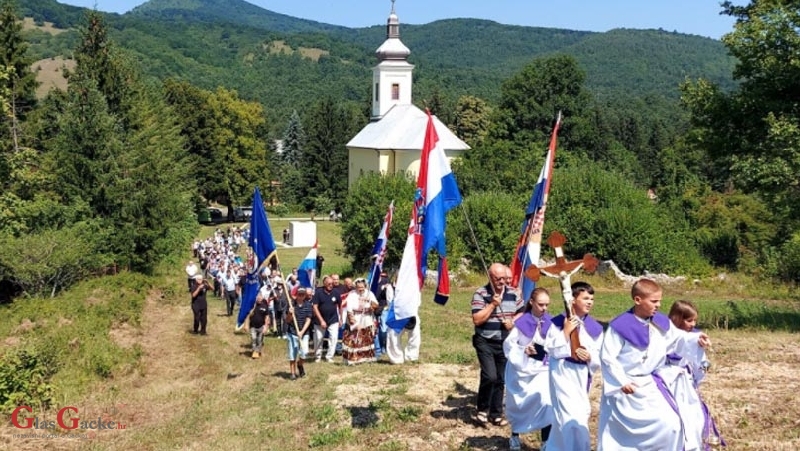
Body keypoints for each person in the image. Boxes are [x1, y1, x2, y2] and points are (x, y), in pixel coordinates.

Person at [597, 278, 711, 451]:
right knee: (623, 438)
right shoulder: (619, 327)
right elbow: (608, 358)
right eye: (654, 301)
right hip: (627, 389)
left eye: (660, 301)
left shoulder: (660, 321)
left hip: (650, 386)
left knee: (672, 425)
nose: (658, 305)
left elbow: (678, 338)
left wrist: (697, 339)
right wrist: (622, 381)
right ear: (638, 300)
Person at [544, 281, 604, 451]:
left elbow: (599, 354)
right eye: (585, 298)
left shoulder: (595, 328)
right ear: (572, 300)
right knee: (572, 419)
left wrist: (590, 356)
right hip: (562, 374)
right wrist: (565, 331)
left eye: (592, 298)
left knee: (579, 414)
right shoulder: (558, 322)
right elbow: (551, 348)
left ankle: (554, 447)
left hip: (582, 375)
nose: (590, 302)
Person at [663, 300, 725, 449]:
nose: (693, 324)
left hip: (687, 385)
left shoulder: (695, 335)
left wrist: (704, 363)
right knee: (672, 421)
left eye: (695, 320)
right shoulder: (664, 334)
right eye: (689, 320)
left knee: (695, 419)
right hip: (668, 384)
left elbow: (700, 361)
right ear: (676, 318)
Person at [471, 262, 524, 426]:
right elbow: (477, 319)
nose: (503, 282)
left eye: (504, 279)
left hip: (505, 341)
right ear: (490, 277)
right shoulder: (480, 294)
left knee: (501, 378)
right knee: (490, 375)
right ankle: (482, 409)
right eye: (498, 279)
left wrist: (513, 321)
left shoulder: (514, 293)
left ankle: (496, 413)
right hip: (485, 340)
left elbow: (522, 312)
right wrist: (493, 304)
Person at [504, 288, 554, 451]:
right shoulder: (521, 323)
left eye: (547, 305)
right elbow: (509, 345)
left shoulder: (551, 322)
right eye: (541, 304)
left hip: (542, 369)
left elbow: (556, 344)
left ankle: (546, 440)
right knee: (519, 404)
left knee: (547, 403)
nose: (544, 308)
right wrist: (523, 349)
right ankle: (515, 435)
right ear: (531, 302)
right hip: (522, 369)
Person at [341, 278, 379, 365]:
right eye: (359, 287)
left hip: (367, 317)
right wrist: (352, 320)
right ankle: (354, 358)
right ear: (356, 287)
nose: (361, 289)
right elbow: (349, 308)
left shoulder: (369, 293)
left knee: (366, 338)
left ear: (365, 286)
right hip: (355, 317)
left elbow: (376, 305)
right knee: (354, 339)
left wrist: (369, 302)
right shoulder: (352, 294)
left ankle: (367, 358)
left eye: (362, 287)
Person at [286, 287, 313, 380]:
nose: (301, 296)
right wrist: (290, 313)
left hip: (304, 333)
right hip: (292, 333)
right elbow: (287, 321)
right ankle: (292, 373)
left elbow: (308, 319)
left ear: (305, 295)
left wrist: (301, 332)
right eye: (299, 294)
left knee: (304, 353)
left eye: (302, 295)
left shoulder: (308, 305)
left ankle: (300, 364)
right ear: (296, 295)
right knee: (292, 353)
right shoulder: (291, 305)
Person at [312, 276, 340, 362]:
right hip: (320, 320)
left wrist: (341, 318)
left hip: (333, 319)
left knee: (334, 338)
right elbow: (315, 307)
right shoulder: (318, 293)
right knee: (319, 339)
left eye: (332, 284)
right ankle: (318, 356)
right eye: (329, 284)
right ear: (324, 284)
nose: (331, 285)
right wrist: (321, 320)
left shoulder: (336, 292)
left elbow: (340, 305)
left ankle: (329, 356)